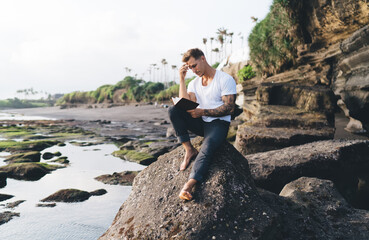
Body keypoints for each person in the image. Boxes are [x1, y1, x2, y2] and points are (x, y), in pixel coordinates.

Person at [168, 48, 237, 200]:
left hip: (218, 123)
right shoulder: (194, 83)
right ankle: (189, 150)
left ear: (203, 58)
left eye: (194, 65)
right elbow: (184, 104)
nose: (193, 70)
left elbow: (229, 108)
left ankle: (189, 184)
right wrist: (181, 79)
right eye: (190, 67)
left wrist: (203, 112)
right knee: (174, 110)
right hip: (201, 122)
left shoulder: (224, 79)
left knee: (209, 144)